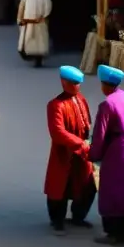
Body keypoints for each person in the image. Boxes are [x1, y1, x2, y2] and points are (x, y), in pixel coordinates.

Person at [44, 65, 96, 234]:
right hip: (64, 153)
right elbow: (57, 132)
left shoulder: (81, 99)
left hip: (82, 154)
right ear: (63, 82)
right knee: (60, 187)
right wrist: (80, 144)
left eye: (78, 83)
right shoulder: (56, 105)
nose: (76, 86)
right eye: (73, 83)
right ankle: (57, 220)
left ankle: (78, 216)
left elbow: (87, 122)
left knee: (86, 185)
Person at [88, 65, 124, 245]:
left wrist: (93, 153)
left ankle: (115, 233)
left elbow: (100, 133)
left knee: (112, 190)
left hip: (117, 150)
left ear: (104, 84)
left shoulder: (107, 104)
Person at [17, 0, 52, 65]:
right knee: (40, 41)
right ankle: (38, 58)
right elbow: (48, 9)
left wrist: (19, 20)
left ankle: (30, 55)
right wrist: (44, 17)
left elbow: (21, 7)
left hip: (29, 23)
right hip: (40, 23)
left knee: (29, 40)